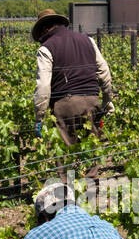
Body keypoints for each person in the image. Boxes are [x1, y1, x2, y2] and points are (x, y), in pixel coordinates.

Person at [32, 9, 115, 146]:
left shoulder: (46, 49)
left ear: (45, 29)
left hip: (66, 106)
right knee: (90, 152)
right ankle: (89, 169)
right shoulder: (88, 40)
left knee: (68, 155)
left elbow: (43, 87)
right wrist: (107, 102)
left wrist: (39, 118)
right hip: (92, 101)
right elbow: (104, 72)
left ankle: (72, 169)